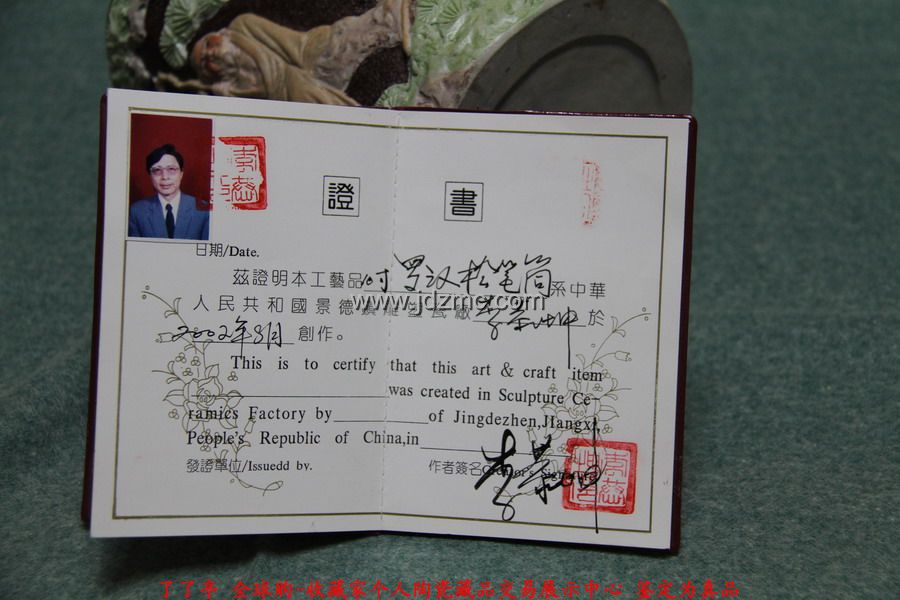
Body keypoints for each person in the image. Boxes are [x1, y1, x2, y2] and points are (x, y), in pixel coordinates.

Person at [155, 0, 413, 105]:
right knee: (321, 104)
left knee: (350, 39)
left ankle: (403, 14)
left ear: (220, 35)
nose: (211, 54)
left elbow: (290, 45)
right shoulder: (228, 88)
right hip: (289, 89)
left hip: (308, 51)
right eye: (204, 61)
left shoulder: (242, 26)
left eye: (209, 45)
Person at [128, 144, 209, 240]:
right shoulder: (137, 211)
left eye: (171, 169)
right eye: (157, 170)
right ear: (150, 175)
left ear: (181, 173)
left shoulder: (203, 210)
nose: (165, 177)